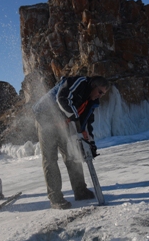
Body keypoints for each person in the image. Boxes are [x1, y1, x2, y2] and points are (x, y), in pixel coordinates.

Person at [33, 75, 110, 209]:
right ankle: (55, 198)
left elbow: (87, 124)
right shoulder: (79, 83)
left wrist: (90, 143)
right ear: (93, 86)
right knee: (50, 159)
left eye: (103, 94)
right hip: (45, 118)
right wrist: (75, 120)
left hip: (64, 123)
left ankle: (80, 191)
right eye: (100, 92)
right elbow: (62, 98)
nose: (100, 96)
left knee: (73, 155)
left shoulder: (90, 102)